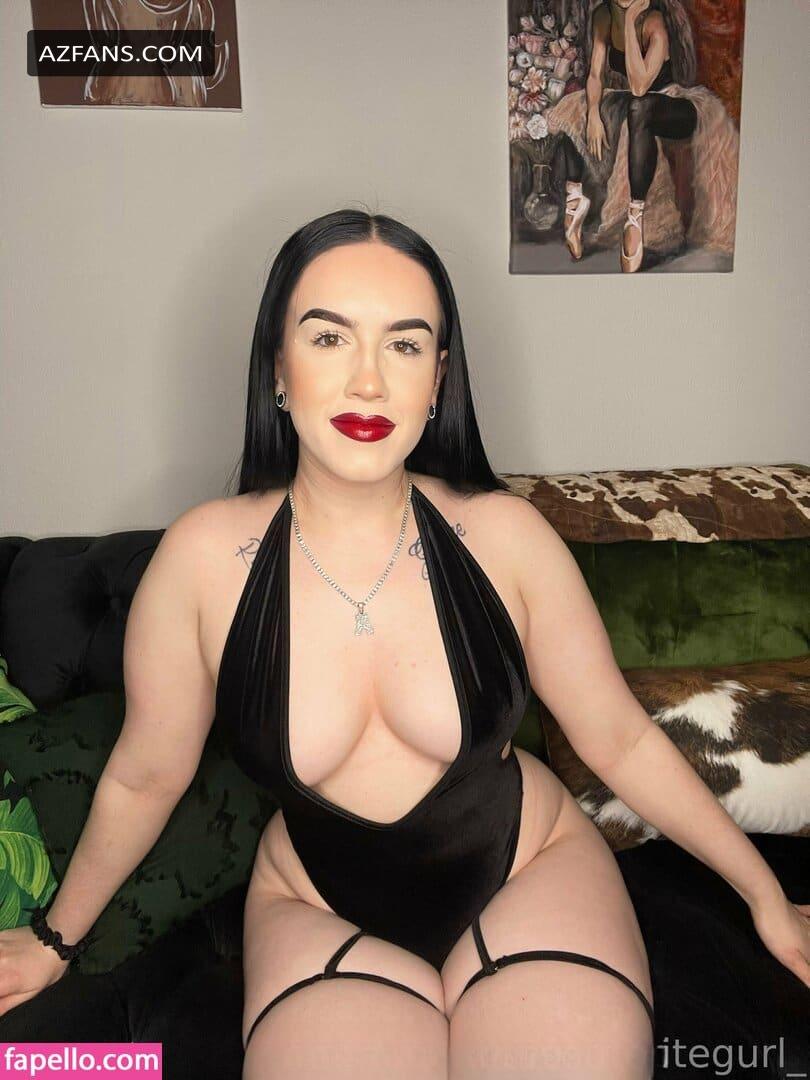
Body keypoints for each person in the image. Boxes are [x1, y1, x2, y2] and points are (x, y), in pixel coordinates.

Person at [1, 209, 808, 1080]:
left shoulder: (505, 539)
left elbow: (620, 738)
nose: (369, 381)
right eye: (329, 338)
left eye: (405, 344)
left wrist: (766, 897)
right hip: (319, 905)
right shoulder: (200, 562)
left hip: (529, 870)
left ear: (438, 378)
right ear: (277, 367)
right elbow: (145, 774)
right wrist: (53, 940)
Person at [553, 0, 699, 271]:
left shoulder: (654, 20)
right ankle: (574, 200)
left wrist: (631, 21)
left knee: (639, 107)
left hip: (673, 103)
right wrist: (593, 114)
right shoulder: (604, 15)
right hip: (634, 102)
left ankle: (635, 217)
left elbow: (640, 85)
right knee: (576, 106)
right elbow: (595, 74)